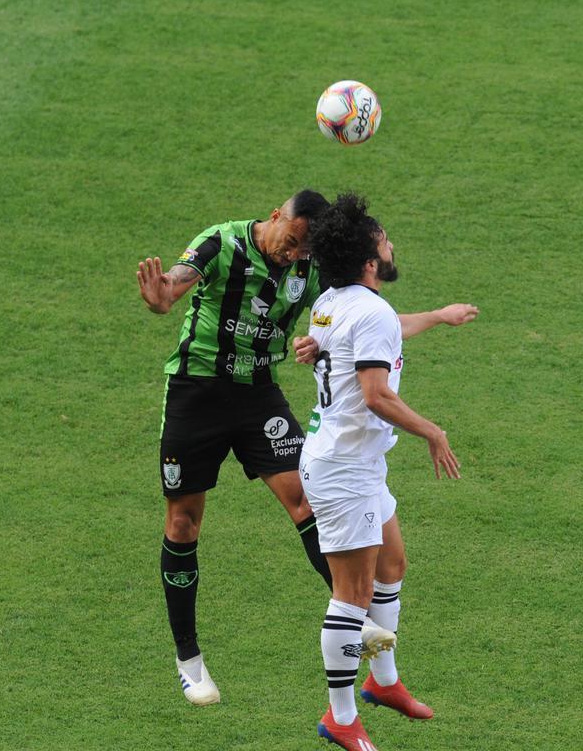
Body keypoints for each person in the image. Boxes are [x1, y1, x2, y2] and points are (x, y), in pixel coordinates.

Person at [136, 191, 477, 707]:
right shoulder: (222, 242)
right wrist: (161, 296)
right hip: (196, 392)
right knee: (183, 522)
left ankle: (351, 616)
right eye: (291, 243)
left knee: (304, 497)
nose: (292, 255)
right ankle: (189, 658)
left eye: (303, 250)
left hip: (257, 394)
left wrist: (431, 316)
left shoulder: (310, 269)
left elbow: (363, 319)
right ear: (277, 216)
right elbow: (172, 289)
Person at [297, 192, 469, 750]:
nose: (391, 244)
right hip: (345, 468)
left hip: (351, 462)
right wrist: (432, 431)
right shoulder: (366, 311)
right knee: (351, 595)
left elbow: (380, 329)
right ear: (371, 260)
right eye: (385, 239)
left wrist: (439, 318)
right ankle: (340, 718)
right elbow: (375, 394)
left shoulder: (332, 302)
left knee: (392, 564)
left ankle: (383, 682)